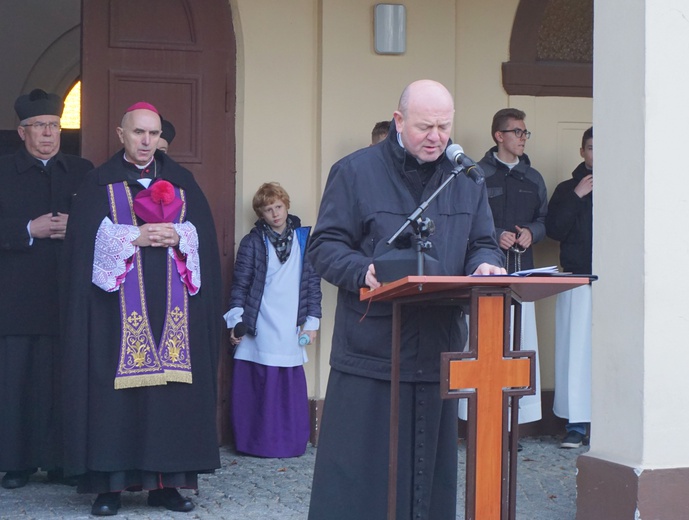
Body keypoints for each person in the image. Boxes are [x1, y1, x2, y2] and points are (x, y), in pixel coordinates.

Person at [307, 79, 505, 520]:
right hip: (372, 352)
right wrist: (364, 270)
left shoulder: (466, 177)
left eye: (444, 126)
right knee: (362, 486)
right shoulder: (355, 172)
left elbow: (483, 243)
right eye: (425, 127)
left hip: (440, 351)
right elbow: (324, 248)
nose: (436, 137)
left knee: (428, 488)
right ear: (398, 121)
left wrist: (486, 264)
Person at [60, 102, 222, 516]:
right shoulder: (99, 183)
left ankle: (166, 487)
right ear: (121, 135)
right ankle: (109, 488)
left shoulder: (183, 183)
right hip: (115, 318)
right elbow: (81, 247)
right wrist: (136, 236)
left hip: (174, 318)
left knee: (170, 400)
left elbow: (203, 237)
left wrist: (181, 235)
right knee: (115, 402)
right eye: (138, 133)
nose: (146, 141)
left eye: (153, 134)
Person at [0, 89, 93, 490]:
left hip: (67, 295)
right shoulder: (3, 171)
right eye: (39, 127)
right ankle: (16, 463)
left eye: (54, 126)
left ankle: (61, 462)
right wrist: (27, 230)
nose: (48, 134)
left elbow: (105, 224)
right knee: (16, 381)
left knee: (62, 380)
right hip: (17, 297)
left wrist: (78, 228)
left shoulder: (82, 170)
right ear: (22, 132)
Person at [223, 182, 322, 458]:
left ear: (286, 205)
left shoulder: (304, 240)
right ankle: (254, 443)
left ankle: (289, 443)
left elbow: (313, 284)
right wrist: (236, 321)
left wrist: (312, 322)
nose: (275, 214)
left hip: (291, 318)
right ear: (261, 214)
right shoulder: (253, 242)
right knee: (259, 383)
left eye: (278, 207)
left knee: (286, 383)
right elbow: (240, 285)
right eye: (268, 210)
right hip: (260, 318)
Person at [476, 107, 548, 426]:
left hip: (523, 274)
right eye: (516, 132)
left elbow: (545, 220)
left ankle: (514, 421)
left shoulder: (533, 177)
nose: (523, 138)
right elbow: (466, 221)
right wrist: (494, 235)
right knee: (487, 345)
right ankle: (485, 419)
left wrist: (533, 232)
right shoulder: (476, 175)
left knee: (519, 345)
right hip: (486, 272)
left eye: (525, 132)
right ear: (499, 136)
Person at [546, 126, 593, 449]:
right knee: (576, 352)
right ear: (582, 152)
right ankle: (576, 423)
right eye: (591, 147)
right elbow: (554, 230)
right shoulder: (566, 189)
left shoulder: (627, 184)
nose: (596, 154)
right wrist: (577, 196)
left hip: (617, 281)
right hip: (577, 278)